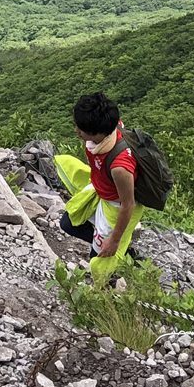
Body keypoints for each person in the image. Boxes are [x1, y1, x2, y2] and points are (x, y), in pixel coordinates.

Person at [57, 91, 145, 273]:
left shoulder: (120, 167)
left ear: (95, 132)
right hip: (101, 191)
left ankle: (110, 277)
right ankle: (124, 252)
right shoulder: (108, 131)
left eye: (80, 129)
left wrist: (114, 239)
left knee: (99, 260)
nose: (76, 131)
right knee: (68, 222)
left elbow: (128, 204)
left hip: (115, 205)